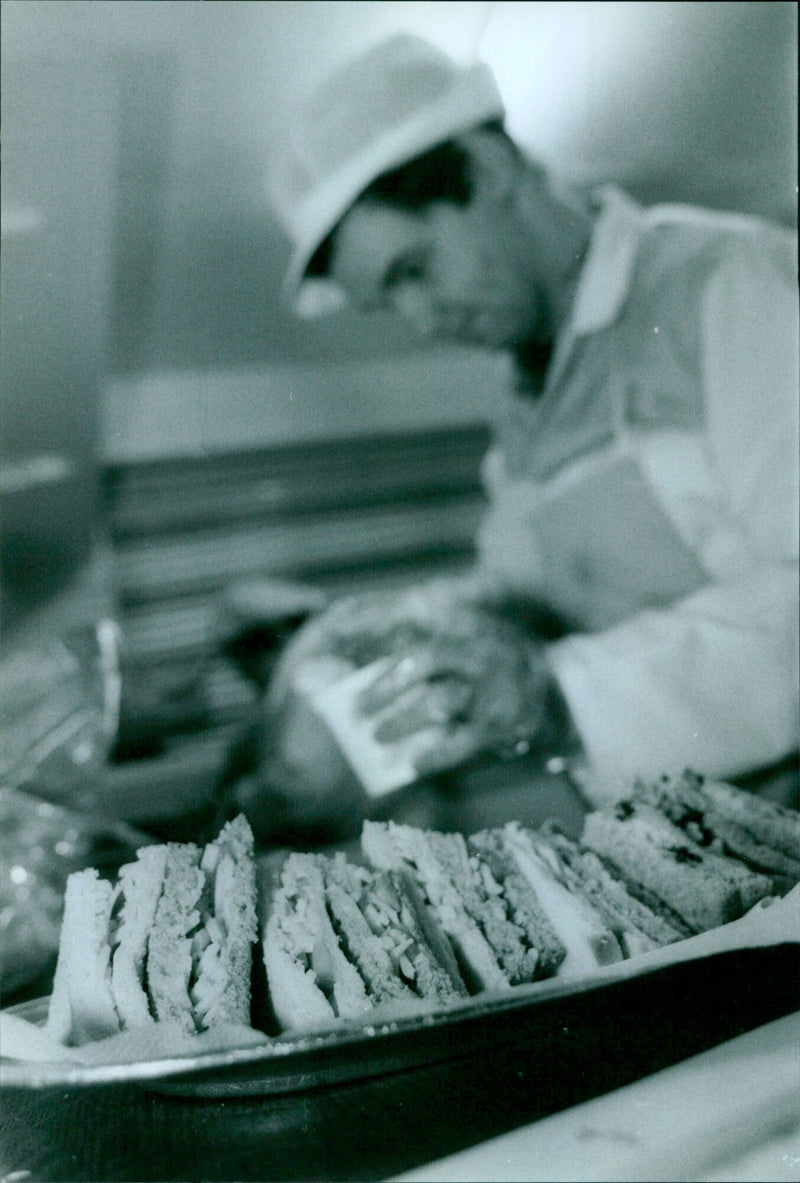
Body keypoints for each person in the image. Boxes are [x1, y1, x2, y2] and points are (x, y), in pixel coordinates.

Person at [234, 33, 799, 837]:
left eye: (414, 270)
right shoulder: (525, 409)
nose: (422, 322)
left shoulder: (730, 284)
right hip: (674, 840)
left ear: (490, 172)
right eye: (391, 302)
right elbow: (530, 593)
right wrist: (402, 620)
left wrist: (557, 693)